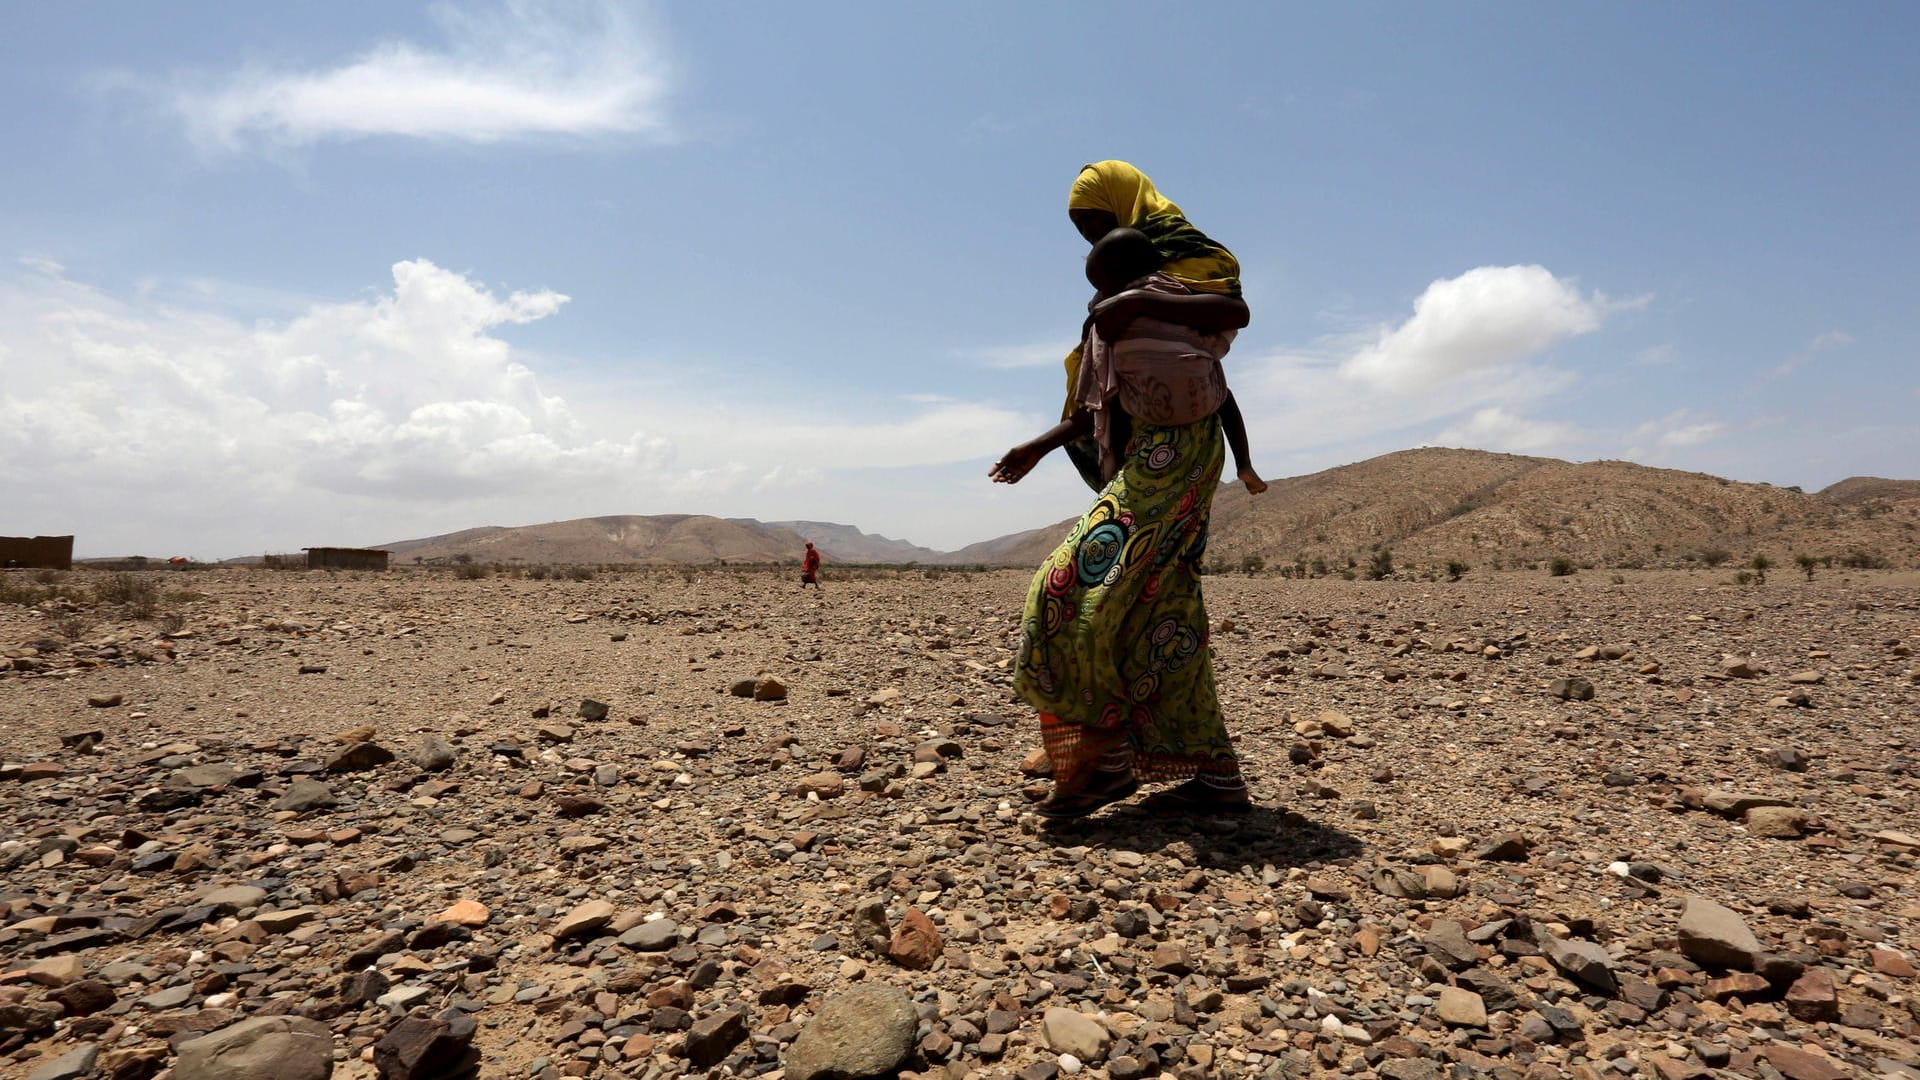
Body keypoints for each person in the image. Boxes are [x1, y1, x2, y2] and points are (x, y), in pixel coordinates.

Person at [988, 161, 1257, 819]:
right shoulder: (1107, 311)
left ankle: (1102, 763)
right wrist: (1038, 446)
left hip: (1181, 461)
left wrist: (1140, 298)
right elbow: (1096, 402)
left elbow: (1233, 313)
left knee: (1062, 587)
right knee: (1161, 610)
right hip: (1150, 456)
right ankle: (1213, 778)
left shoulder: (1192, 270)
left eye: (1096, 227)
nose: (1089, 247)